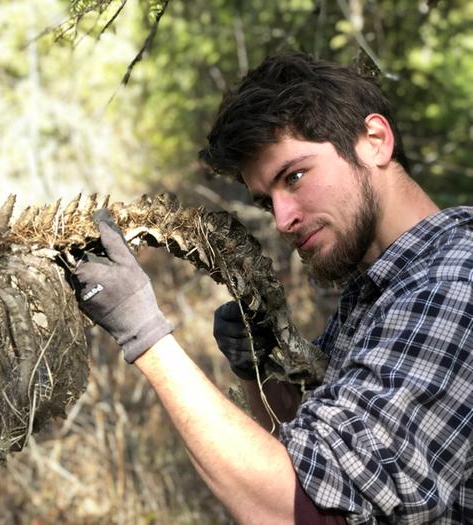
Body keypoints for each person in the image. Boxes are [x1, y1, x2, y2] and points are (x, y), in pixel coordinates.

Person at [71, 53, 472, 524]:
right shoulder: (380, 286)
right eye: (267, 200)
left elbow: (308, 510)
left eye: (295, 176)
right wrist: (258, 371)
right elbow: (303, 449)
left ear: (375, 141)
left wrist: (145, 336)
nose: (283, 220)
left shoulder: (452, 285)